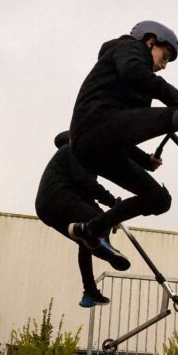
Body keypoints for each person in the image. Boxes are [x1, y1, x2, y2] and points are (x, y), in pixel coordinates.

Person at [67, 20, 178, 260]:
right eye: (164, 57)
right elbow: (133, 73)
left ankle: (91, 229)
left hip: (101, 149)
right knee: (172, 115)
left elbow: (125, 129)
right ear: (150, 41)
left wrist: (144, 160)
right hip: (94, 125)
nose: (163, 66)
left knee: (159, 200)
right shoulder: (127, 47)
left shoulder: (134, 86)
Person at [35, 131, 129, 307]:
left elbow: (86, 196)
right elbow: (86, 183)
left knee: (85, 240)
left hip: (46, 208)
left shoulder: (64, 161)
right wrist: (113, 204)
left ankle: (90, 292)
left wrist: (111, 211)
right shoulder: (72, 151)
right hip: (59, 199)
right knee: (99, 222)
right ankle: (103, 244)